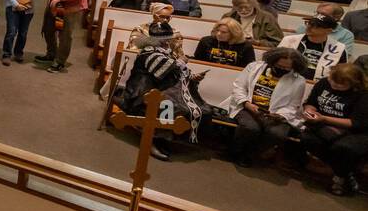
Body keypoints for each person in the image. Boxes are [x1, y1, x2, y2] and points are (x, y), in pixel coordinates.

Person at [120, 32, 205, 160]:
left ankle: (163, 138)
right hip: (142, 91)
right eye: (168, 39)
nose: (171, 42)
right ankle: (151, 140)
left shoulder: (165, 52)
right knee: (170, 106)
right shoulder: (149, 52)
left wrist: (192, 77)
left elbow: (175, 72)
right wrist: (181, 62)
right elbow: (160, 72)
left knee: (183, 106)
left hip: (158, 88)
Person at [224, 48, 307, 167]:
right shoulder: (254, 67)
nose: (282, 69)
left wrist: (279, 115)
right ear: (272, 61)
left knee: (277, 133)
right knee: (251, 127)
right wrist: (247, 103)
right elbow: (239, 87)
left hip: (275, 114)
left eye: (286, 68)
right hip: (247, 106)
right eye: (279, 66)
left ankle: (252, 154)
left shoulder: (299, 81)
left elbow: (293, 105)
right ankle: (236, 152)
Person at [299, 64, 368, 196]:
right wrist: (309, 111)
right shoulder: (324, 83)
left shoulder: (363, 94)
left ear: (353, 83)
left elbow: (356, 123)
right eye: (332, 80)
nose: (334, 85)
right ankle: (343, 171)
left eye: (340, 84)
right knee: (307, 139)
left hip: (354, 131)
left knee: (343, 147)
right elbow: (311, 102)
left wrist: (324, 118)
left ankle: (340, 176)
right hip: (322, 125)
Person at [279, 15, 348, 81]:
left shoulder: (338, 48)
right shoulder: (289, 40)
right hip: (285, 79)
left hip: (315, 84)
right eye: (309, 23)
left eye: (316, 26)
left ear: (328, 31)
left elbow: (339, 73)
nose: (309, 27)